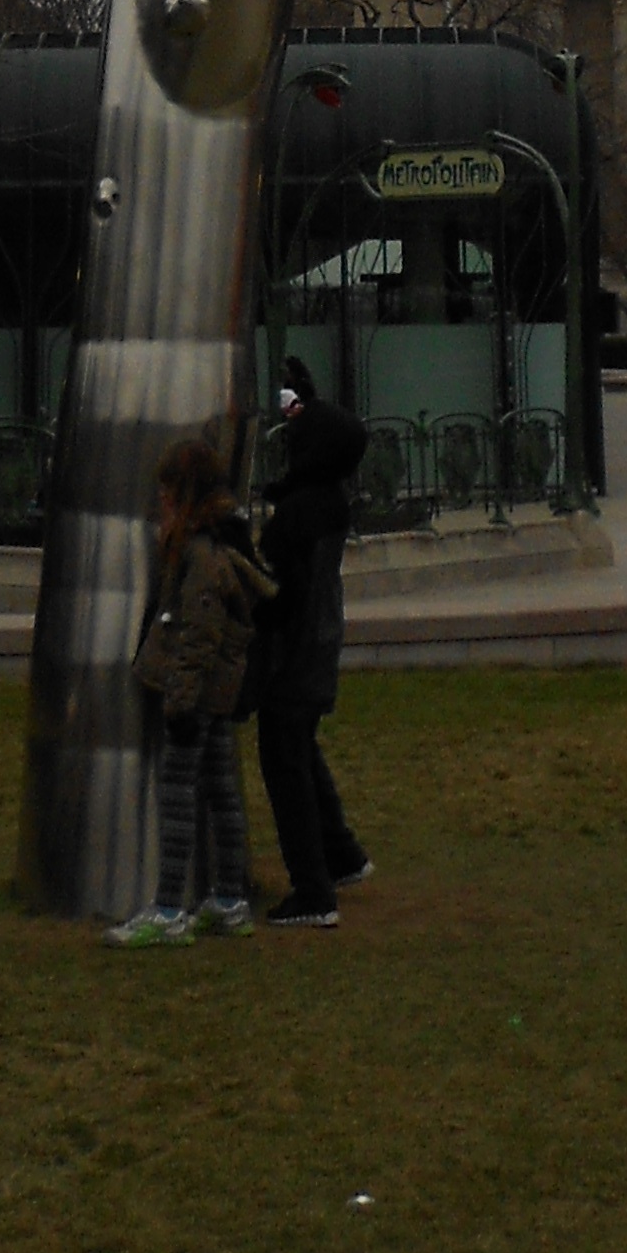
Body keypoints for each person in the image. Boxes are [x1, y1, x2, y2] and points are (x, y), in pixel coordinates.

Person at [109, 435, 266, 947]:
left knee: (178, 798)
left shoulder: (200, 556)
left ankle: (169, 908)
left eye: (167, 488)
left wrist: (179, 702)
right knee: (221, 792)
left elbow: (197, 637)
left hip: (193, 697)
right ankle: (228, 900)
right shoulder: (218, 545)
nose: (160, 497)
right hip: (214, 695)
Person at [251, 359, 373, 930]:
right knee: (300, 748)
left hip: (293, 652)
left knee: (284, 763)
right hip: (319, 644)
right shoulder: (328, 502)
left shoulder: (299, 514)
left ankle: (313, 890)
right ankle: (341, 854)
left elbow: (280, 589)